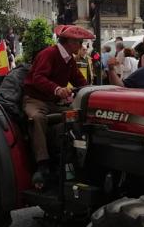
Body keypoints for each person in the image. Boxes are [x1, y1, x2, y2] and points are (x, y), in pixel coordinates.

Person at [23, 25, 93, 190]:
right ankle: (42, 164)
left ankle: (75, 157)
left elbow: (79, 81)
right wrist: (57, 89)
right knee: (38, 118)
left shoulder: (69, 60)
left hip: (54, 103)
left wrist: (92, 91)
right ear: (69, 42)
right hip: (35, 99)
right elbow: (38, 78)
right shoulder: (49, 54)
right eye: (79, 42)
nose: (81, 45)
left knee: (78, 115)